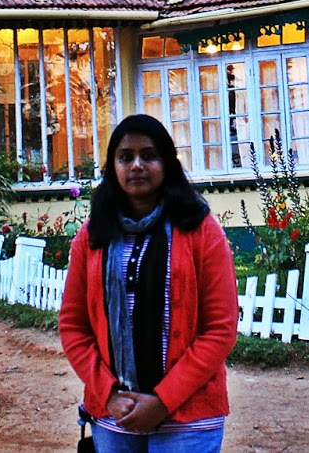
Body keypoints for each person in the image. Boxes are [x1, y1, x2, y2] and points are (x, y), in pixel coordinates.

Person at [60, 114, 238, 452]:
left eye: (149, 155)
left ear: (167, 163)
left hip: (189, 420)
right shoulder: (93, 236)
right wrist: (109, 395)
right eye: (125, 157)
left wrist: (163, 400)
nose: (137, 165)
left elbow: (220, 328)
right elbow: (73, 326)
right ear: (113, 167)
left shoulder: (201, 231)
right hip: (115, 416)